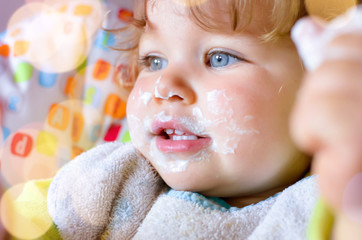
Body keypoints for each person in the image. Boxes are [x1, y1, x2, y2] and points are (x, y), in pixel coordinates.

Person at [2, 0, 362, 239]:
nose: (164, 85)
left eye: (219, 57)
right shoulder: (112, 180)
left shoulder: (324, 203)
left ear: (316, 87)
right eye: (154, 61)